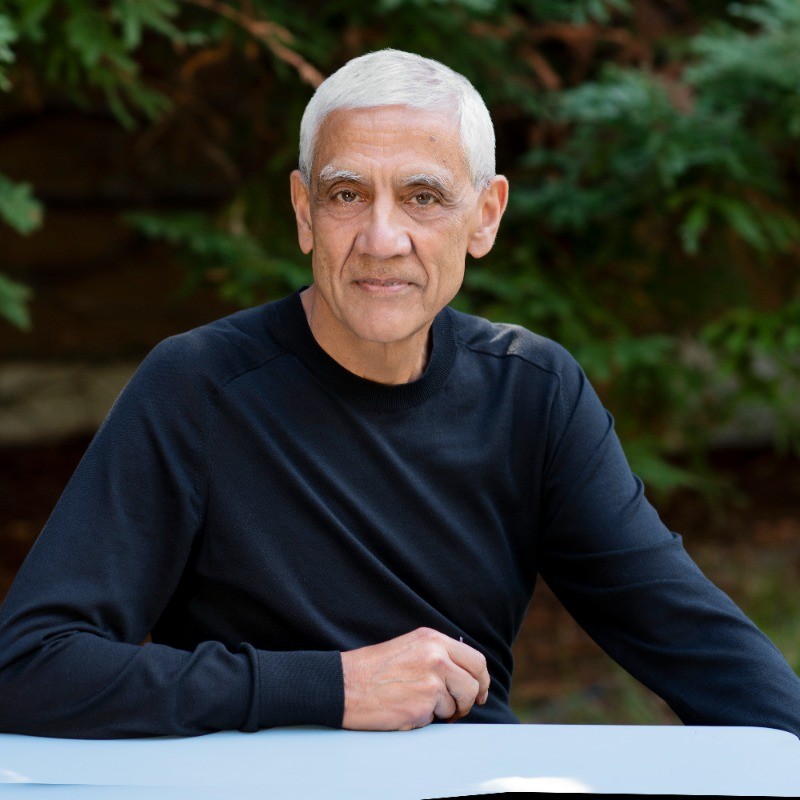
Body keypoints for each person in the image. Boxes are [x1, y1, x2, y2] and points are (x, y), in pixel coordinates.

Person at [1, 49, 799, 740]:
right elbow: (28, 666)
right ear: (304, 212)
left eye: (423, 197)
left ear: (484, 217)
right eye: (347, 194)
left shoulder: (533, 392)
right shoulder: (199, 388)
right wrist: (331, 687)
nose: (383, 239)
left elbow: (694, 642)